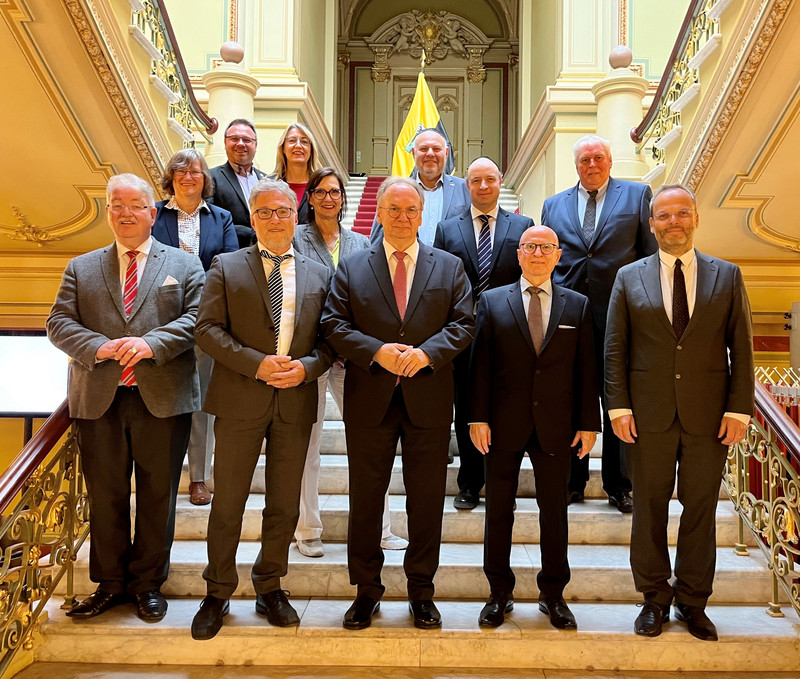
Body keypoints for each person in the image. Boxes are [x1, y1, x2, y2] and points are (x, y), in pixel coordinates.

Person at [46, 173, 204, 622]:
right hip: (99, 397)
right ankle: (110, 584)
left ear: (153, 213)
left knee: (158, 496)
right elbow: (58, 323)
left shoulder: (186, 265)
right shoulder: (82, 266)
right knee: (106, 494)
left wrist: (152, 343)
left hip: (163, 396)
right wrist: (97, 347)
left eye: (136, 204)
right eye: (117, 204)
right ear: (108, 212)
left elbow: (198, 319)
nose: (127, 212)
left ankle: (148, 584)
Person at [322, 176, 474, 631]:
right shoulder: (351, 267)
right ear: (379, 213)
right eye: (394, 209)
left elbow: (464, 324)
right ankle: (366, 590)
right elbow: (333, 323)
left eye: (411, 209)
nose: (403, 217)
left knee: (426, 502)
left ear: (421, 215)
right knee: (366, 501)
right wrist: (376, 351)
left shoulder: (449, 266)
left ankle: (421, 592)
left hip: (427, 399)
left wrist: (427, 354)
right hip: (370, 398)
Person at [605, 184, 754, 641]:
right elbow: (615, 348)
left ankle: (692, 601)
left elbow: (741, 349)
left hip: (710, 418)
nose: (674, 222)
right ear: (652, 224)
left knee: (700, 510)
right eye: (664, 216)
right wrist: (618, 406)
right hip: (646, 415)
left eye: (682, 214)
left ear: (695, 218)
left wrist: (739, 410)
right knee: (648, 509)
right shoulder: (629, 277)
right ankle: (653, 598)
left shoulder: (727, 276)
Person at [190, 177, 332, 641]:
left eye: (283, 211)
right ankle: (217, 591)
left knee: (284, 505)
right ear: (252, 219)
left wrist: (307, 369)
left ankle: (270, 586)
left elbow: (330, 340)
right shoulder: (226, 266)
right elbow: (207, 329)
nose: (275, 219)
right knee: (227, 502)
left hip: (294, 401)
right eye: (265, 212)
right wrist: (257, 365)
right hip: (238, 401)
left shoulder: (320, 272)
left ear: (297, 216)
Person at [469, 225, 599, 629]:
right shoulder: (491, 302)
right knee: (498, 512)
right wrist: (477, 417)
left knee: (554, 512)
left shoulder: (578, 305)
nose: (538, 253)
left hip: (558, 426)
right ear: (519, 255)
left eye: (546, 247)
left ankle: (554, 594)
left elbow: (586, 370)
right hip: (502, 423)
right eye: (530, 247)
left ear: (558, 255)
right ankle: (498, 593)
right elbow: (480, 367)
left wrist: (588, 423)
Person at [292, 167, 407, 557]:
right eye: (321, 192)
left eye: (335, 192)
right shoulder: (294, 240)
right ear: (309, 197)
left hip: (352, 358)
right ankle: (307, 529)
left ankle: (381, 529)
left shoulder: (361, 243)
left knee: (370, 446)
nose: (329, 198)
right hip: (308, 357)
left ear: (344, 198)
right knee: (306, 446)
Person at [541, 134, 657, 512]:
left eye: (598, 158)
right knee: (572, 397)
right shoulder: (553, 204)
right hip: (568, 316)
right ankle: (574, 481)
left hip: (621, 314)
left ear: (609, 161)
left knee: (617, 397)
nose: (592, 165)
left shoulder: (637, 197)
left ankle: (619, 485)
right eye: (585, 159)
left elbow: (649, 257)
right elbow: (550, 260)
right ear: (575, 165)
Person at [433, 157, 534, 510]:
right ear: (467, 186)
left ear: (500, 181)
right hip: (462, 333)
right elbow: (440, 282)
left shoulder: (523, 225)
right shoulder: (447, 229)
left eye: (490, 179)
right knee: (467, 407)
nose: (483, 186)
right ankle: (469, 483)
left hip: (510, 331)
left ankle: (501, 481)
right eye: (476, 180)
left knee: (506, 407)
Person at [152, 148, 238, 506]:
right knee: (162, 398)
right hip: (161, 319)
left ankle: (199, 478)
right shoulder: (153, 214)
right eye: (181, 172)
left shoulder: (221, 218)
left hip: (207, 319)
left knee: (201, 401)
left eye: (196, 172)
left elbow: (229, 263)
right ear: (171, 178)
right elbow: (149, 258)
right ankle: (163, 472)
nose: (189, 178)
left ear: (206, 180)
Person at [370, 128, 470, 246]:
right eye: (423, 149)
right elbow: (377, 241)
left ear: (446, 153)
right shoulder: (394, 191)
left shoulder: (465, 189)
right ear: (413, 153)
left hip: (452, 263)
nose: (430, 154)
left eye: (436, 149)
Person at [209, 118, 266, 249]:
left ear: (255, 145)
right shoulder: (211, 177)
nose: (240, 144)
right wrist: (249, 233)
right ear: (225, 142)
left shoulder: (269, 180)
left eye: (246, 140)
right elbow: (210, 221)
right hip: (229, 255)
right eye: (234, 139)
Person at [272, 122, 321, 226]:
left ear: (311, 150)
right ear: (283, 148)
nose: (298, 145)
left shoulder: (321, 186)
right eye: (292, 140)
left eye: (304, 141)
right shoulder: (270, 186)